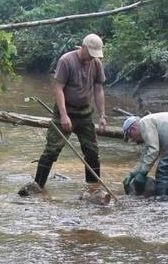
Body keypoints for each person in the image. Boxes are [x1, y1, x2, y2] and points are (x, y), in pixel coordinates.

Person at [19, 33, 108, 196]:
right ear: (83, 48)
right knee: (52, 149)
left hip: (85, 112)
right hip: (65, 110)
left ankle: (94, 190)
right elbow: (58, 88)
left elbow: (98, 89)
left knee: (92, 151)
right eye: (91, 53)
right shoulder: (66, 61)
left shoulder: (96, 64)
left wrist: (102, 115)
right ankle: (37, 186)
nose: (92, 58)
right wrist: (64, 115)